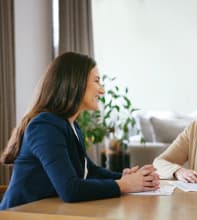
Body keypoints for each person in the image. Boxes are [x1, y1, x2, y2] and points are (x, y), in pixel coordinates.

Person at [0, 52, 159, 210]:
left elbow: (89, 171)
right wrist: (124, 185)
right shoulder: (45, 126)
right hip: (19, 214)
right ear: (76, 82)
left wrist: (127, 177)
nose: (102, 91)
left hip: (47, 211)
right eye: (97, 81)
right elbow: (70, 190)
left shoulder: (70, 125)